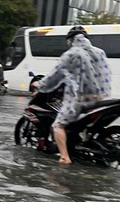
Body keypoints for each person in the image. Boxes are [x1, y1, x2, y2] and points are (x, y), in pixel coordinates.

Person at [35, 26, 112, 165]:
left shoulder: (71, 54)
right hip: (103, 100)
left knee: (58, 125)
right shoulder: (100, 52)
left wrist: (39, 85)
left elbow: (54, 76)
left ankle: (64, 157)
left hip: (81, 101)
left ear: (70, 41)